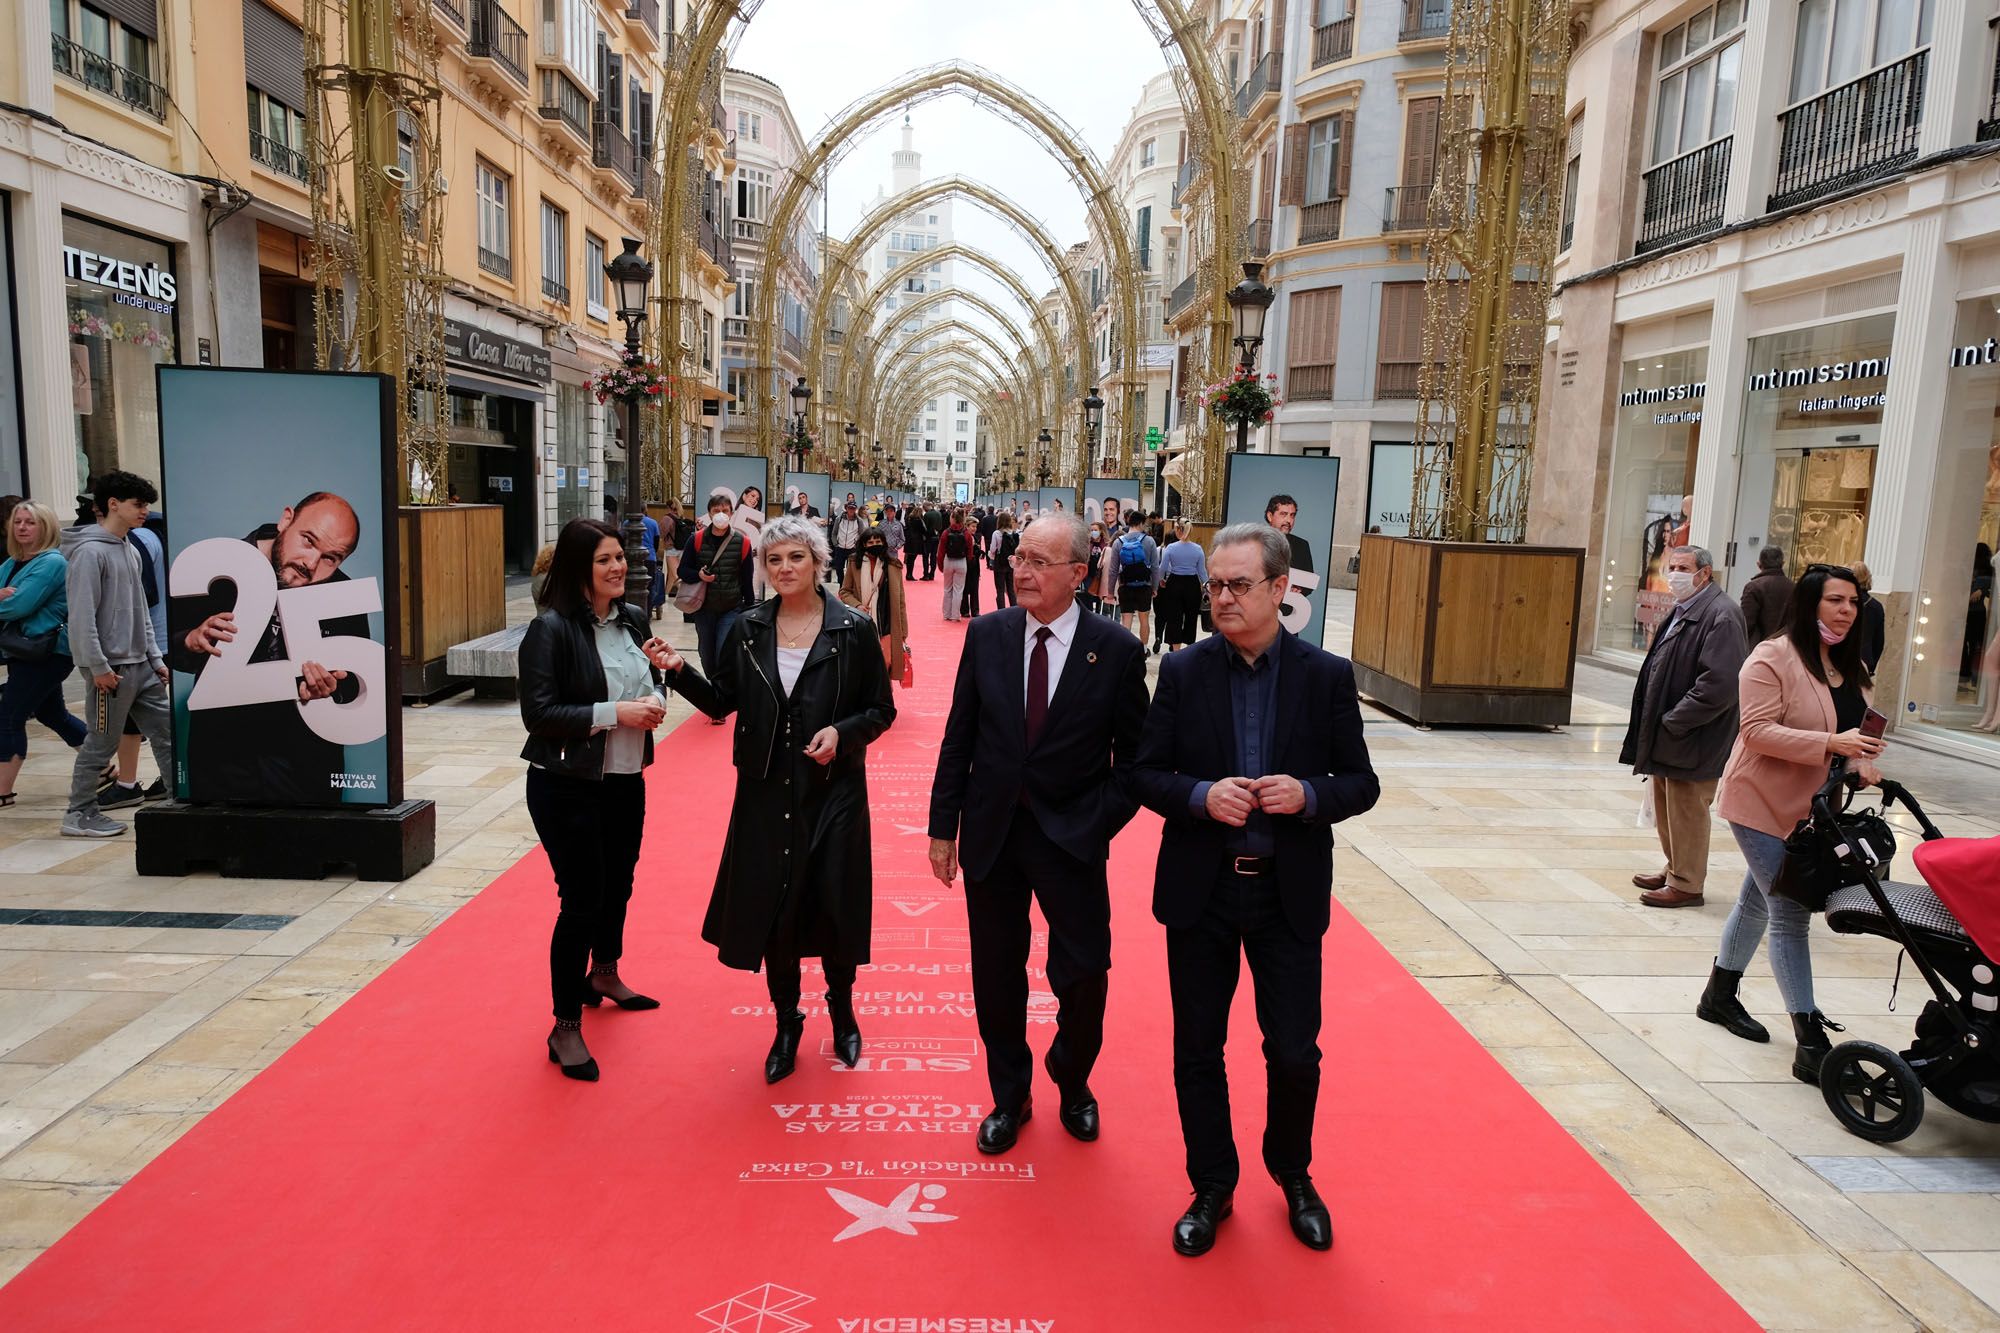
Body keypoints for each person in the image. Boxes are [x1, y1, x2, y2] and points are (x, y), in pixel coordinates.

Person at [1131, 524, 1379, 1257]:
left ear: (1280, 589)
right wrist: (1202, 795)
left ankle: (1292, 1170)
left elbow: (1361, 783)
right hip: (1201, 893)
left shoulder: (1325, 676)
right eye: (1214, 585)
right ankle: (1211, 1183)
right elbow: (1145, 773)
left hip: (1287, 893)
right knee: (1197, 1048)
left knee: (1296, 1049)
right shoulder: (1183, 673)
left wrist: (1307, 793)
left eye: (1238, 585)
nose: (1222, 598)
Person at [928, 512, 1150, 1154]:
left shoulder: (1114, 651)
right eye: (1018, 558)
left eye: (1037, 562)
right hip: (992, 831)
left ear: (1079, 574)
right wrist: (945, 825)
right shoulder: (990, 634)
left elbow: (1134, 761)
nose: (1019, 571)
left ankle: (1072, 1078)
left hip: (1071, 838)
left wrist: (1093, 821)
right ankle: (1010, 1095)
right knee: (996, 972)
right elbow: (959, 734)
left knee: (1084, 972)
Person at [671, 516, 896, 1082]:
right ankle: (786, 1021)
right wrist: (677, 671)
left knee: (835, 901)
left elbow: (880, 708)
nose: (785, 569)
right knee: (777, 909)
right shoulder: (748, 628)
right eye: (775, 561)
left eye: (796, 557)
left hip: (834, 789)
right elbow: (722, 700)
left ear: (818, 561)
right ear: (764, 570)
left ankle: (842, 1012)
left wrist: (843, 734)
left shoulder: (853, 628)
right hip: (767, 789)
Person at [519, 518, 687, 1082]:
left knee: (620, 881)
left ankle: (604, 972)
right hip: (566, 783)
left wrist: (656, 695)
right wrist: (616, 714)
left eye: (621, 556)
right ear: (577, 569)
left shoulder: (633, 619)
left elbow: (645, 680)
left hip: (622, 778)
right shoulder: (551, 631)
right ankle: (565, 1025)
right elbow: (539, 717)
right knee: (581, 898)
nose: (620, 567)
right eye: (605, 560)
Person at [1705, 565, 1886, 1081]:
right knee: (1789, 911)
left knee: (1756, 900)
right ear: (1810, 605)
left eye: (1853, 601)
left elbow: (1855, 733)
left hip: (1812, 811)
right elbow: (1756, 730)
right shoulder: (1771, 658)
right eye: (1835, 600)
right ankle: (1811, 1043)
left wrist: (1861, 761)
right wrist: (1831, 745)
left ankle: (1718, 995)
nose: (1847, 610)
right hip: (1760, 800)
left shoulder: (1852, 665)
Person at [170, 492, 369, 806]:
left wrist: (333, 685)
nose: (311, 563)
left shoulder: (343, 595)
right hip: (223, 756)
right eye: (308, 541)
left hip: (304, 764)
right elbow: (168, 647)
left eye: (331, 557)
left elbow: (356, 683)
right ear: (286, 519)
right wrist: (190, 639)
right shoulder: (215, 572)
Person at [1620, 545, 1748, 910]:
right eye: (1671, 566)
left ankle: (1688, 883)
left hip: (1693, 734)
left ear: (1704, 574)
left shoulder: (1721, 615)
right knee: (1666, 804)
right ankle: (1675, 867)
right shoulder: (1683, 608)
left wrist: (1675, 720)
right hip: (1671, 732)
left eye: (1683, 567)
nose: (1673, 573)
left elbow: (1720, 684)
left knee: (1687, 808)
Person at [59, 471, 173, 838]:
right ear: (113, 504)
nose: (144, 512)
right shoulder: (89, 553)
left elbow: (141, 609)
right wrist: (98, 668)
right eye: (138, 504)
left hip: (141, 665)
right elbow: (81, 618)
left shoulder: (128, 548)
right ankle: (79, 813)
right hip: (112, 672)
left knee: (167, 734)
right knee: (101, 741)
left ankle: (179, 800)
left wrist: (155, 658)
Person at [0, 502, 88, 806]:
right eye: (18, 521)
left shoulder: (52, 562)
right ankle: (101, 769)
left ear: (46, 526)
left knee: (9, 717)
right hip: (23, 650)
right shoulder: (13, 562)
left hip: (47, 652)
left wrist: (5, 599)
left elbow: (17, 606)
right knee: (53, 714)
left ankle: (3, 791)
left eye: (31, 522)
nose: (22, 527)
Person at [97, 514, 169, 808]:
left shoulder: (135, 541)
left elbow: (143, 597)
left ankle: (128, 783)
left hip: (144, 642)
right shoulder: (150, 536)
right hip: (155, 638)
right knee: (153, 720)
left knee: (134, 717)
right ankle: (167, 779)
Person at [679, 494, 756, 719]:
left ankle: (720, 698)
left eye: (725, 510)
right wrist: (699, 575)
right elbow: (683, 571)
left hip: (731, 607)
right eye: (716, 510)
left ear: (732, 513)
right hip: (704, 607)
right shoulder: (696, 540)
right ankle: (713, 687)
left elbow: (746, 578)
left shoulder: (742, 542)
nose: (721, 514)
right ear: (709, 513)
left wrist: (749, 609)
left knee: (724, 651)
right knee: (706, 653)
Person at [840, 524, 909, 685]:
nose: (874, 545)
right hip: (860, 622)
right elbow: (844, 591)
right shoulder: (853, 563)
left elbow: (900, 601)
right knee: (863, 663)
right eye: (870, 542)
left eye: (877, 541)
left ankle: (883, 697)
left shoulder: (893, 565)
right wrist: (857, 606)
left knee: (885, 662)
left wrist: (903, 630)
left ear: (884, 543)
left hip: (886, 622)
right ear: (864, 544)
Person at [1156, 521, 1208, 652]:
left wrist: (1160, 580)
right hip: (1192, 585)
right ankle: (1189, 648)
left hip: (1174, 584)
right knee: (1191, 618)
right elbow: (1202, 571)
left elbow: (1162, 568)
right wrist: (1207, 586)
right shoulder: (1198, 549)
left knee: (1174, 618)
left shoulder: (1171, 548)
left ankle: (1176, 650)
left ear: (1178, 531)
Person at [1114, 511, 1160, 653]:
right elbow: (1155, 567)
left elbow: (1113, 570)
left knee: (1126, 620)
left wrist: (1111, 590)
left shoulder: (1118, 541)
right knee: (1144, 619)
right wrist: (1155, 587)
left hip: (1125, 585)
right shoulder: (1149, 541)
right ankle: (1144, 649)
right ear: (1140, 523)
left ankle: (1125, 650)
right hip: (1144, 586)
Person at [1739, 545, 1794, 644]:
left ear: (1759, 564)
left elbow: (1745, 625)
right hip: (1787, 648)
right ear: (1783, 563)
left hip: (1759, 649)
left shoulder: (1753, 587)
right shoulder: (1794, 587)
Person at [1264, 495, 1313, 577]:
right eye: (1283, 514)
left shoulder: (1302, 545)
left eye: (1292, 515)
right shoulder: (1255, 542)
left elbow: (1309, 581)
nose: (1289, 520)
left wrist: (1299, 589)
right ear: (1270, 516)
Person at [1851, 561, 1886, 673]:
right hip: (1864, 660)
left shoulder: (1840, 601)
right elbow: (1878, 642)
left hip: (1839, 658)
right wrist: (1871, 666)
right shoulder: (1876, 606)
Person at [939, 508, 973, 622]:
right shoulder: (966, 533)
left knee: (947, 589)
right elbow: (970, 550)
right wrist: (966, 561)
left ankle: (946, 614)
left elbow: (941, 551)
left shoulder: (946, 532)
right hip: (961, 561)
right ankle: (955, 615)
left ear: (952, 519)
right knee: (958, 590)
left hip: (949, 561)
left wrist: (940, 565)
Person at [989, 511, 1019, 610]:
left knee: (1000, 589)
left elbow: (993, 549)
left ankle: (1001, 610)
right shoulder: (1013, 533)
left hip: (999, 562)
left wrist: (991, 556)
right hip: (1011, 563)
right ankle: (1014, 609)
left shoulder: (997, 533)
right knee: (1011, 589)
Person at [829, 501, 864, 585]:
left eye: (853, 508)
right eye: (850, 508)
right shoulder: (839, 518)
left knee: (851, 570)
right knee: (838, 569)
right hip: (840, 548)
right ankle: (841, 586)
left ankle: (849, 587)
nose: (851, 510)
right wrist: (836, 544)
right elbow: (834, 533)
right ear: (846, 508)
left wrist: (856, 545)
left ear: (855, 509)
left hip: (852, 549)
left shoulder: (859, 521)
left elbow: (861, 535)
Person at [960, 510, 987, 618]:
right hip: (966, 564)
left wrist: (979, 552)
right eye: (972, 526)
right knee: (965, 588)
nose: (974, 529)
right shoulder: (964, 536)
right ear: (967, 526)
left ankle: (975, 610)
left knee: (975, 588)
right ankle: (965, 610)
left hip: (974, 566)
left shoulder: (976, 537)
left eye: (975, 527)